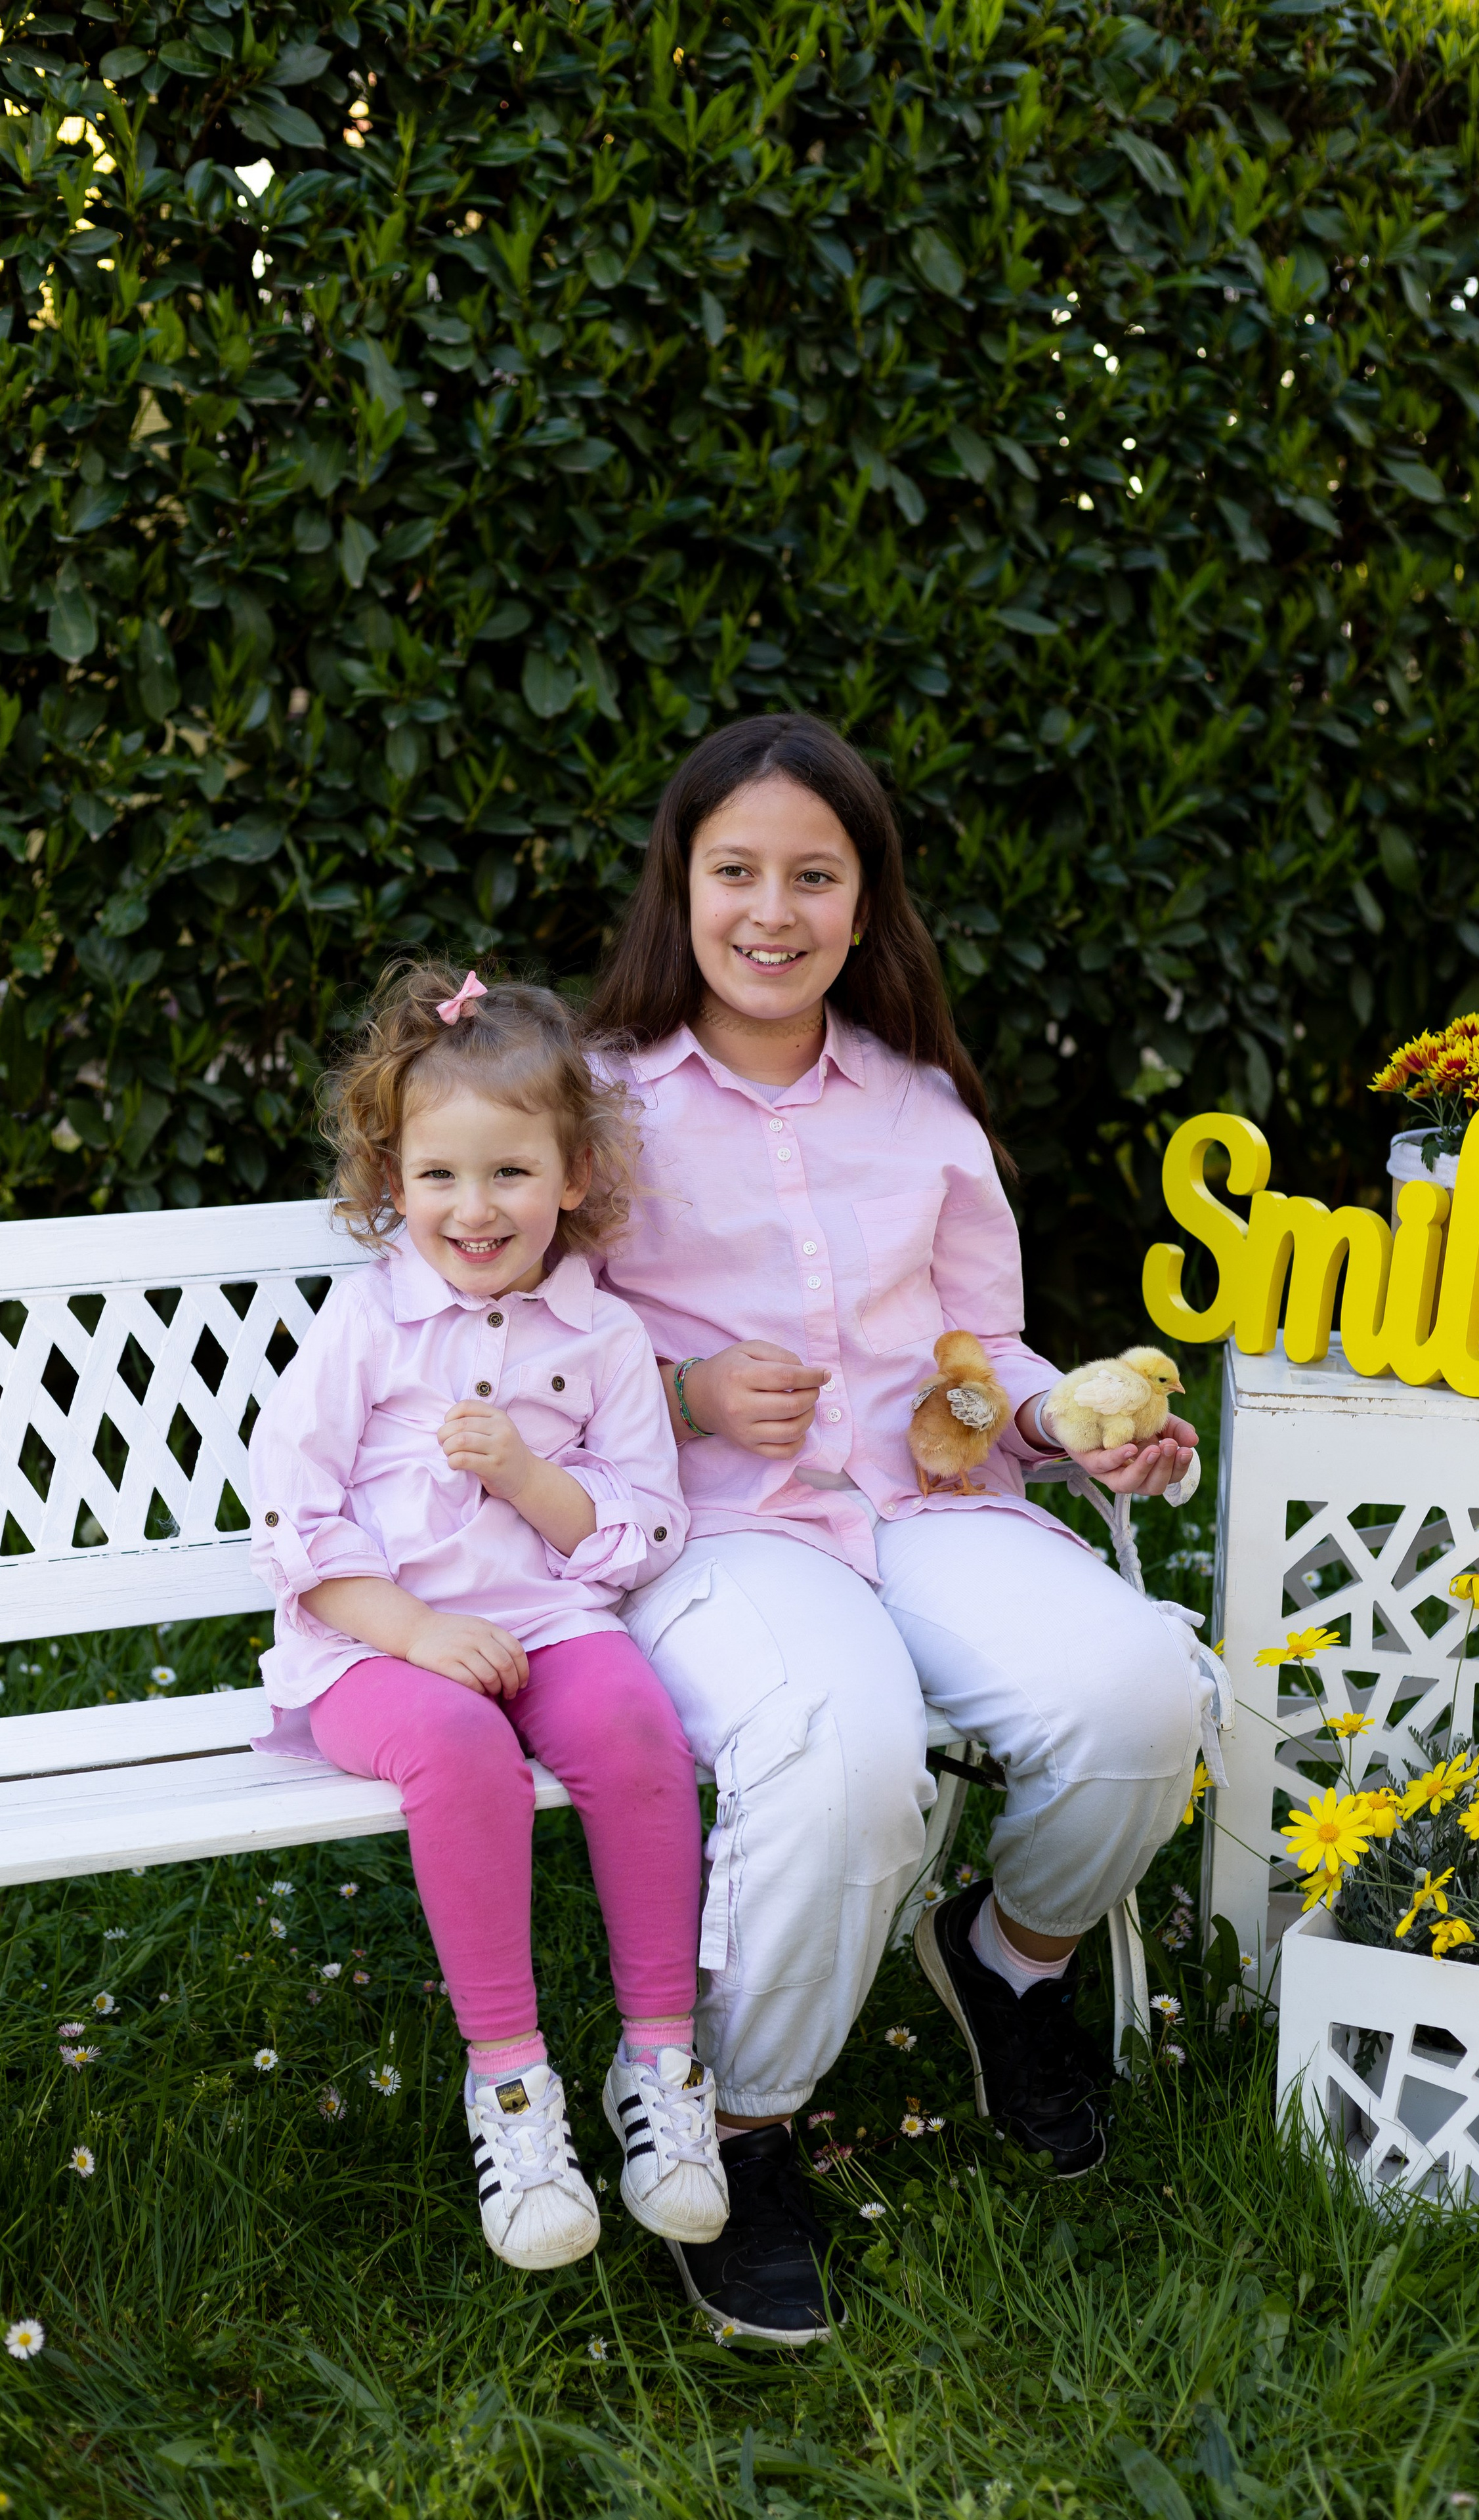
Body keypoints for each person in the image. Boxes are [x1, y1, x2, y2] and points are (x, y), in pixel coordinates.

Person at [587, 715, 1203, 2345]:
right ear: (681, 886)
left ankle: (1007, 1959)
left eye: (814, 874)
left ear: (866, 908)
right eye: (736, 872)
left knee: (1141, 1693)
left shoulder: (921, 1105)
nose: (770, 912)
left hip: (926, 1502)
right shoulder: (595, 1109)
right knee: (844, 1748)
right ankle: (742, 2125)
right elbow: (512, 1358)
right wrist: (686, 1391)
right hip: (719, 1529)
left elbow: (980, 1349)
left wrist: (1066, 1424)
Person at [248, 963, 725, 2273]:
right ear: (392, 1180)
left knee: (635, 1722)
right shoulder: (368, 1325)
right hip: (371, 1649)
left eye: (510, 1174)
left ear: (572, 1175)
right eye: (439, 1176)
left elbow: (648, 1520)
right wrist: (409, 1633)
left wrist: (524, 1474)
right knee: (458, 1749)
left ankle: (660, 2064)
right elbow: (289, 1513)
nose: (474, 1209)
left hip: (549, 1623)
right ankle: (511, 2087)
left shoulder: (604, 1337)